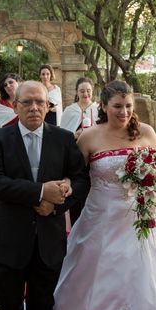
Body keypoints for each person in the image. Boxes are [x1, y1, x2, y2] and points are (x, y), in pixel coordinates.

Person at [49, 80, 156, 310]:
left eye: (128, 106)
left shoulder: (147, 132)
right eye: (117, 106)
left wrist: (151, 187)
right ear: (103, 106)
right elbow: (77, 177)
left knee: (145, 274)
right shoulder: (89, 136)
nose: (124, 112)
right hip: (100, 218)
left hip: (140, 216)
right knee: (96, 276)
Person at [0, 80, 90, 310]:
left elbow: (81, 180)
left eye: (40, 102)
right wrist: (42, 191)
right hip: (10, 241)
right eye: (27, 102)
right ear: (15, 105)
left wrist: (57, 203)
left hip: (48, 242)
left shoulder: (64, 139)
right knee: (7, 301)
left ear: (48, 106)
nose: (34, 108)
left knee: (43, 308)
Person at [60, 77, 98, 225]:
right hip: (75, 155)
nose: (85, 94)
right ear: (77, 92)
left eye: (88, 90)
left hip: (94, 153)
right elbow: (62, 133)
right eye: (82, 91)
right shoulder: (70, 110)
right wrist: (73, 135)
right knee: (77, 185)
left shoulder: (98, 109)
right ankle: (76, 222)